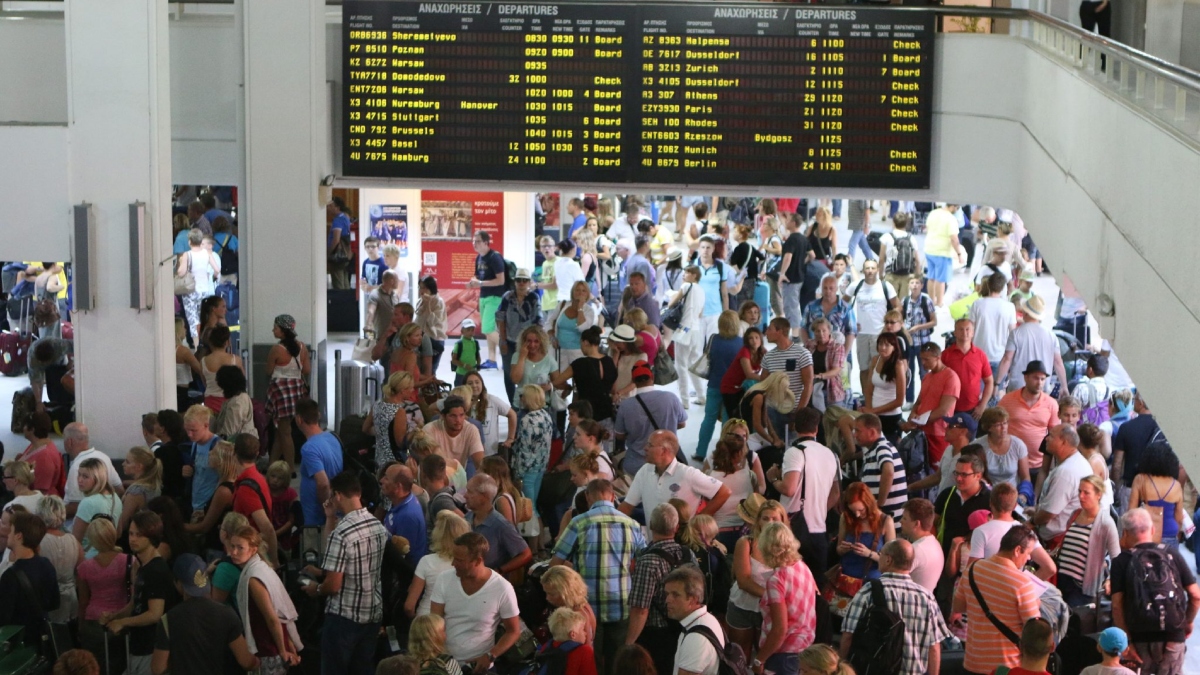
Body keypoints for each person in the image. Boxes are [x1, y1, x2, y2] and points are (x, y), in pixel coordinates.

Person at [550, 479, 645, 675]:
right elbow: (643, 561)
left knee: (591, 662)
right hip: (622, 603)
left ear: (587, 496)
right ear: (613, 496)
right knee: (617, 662)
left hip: (587, 607)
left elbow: (556, 563)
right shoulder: (632, 524)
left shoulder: (579, 523)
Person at [300, 471, 390, 675]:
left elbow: (333, 585)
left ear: (338, 495)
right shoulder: (377, 525)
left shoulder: (342, 533)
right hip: (372, 613)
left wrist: (316, 589)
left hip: (344, 618)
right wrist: (330, 517)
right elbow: (335, 558)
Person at [1111, 507, 1200, 675]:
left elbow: (1116, 606)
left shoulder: (1121, 561)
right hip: (1173, 635)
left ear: (1125, 533)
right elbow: (1196, 596)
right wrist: (1186, 622)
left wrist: (1127, 641)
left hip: (1139, 638)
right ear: (1152, 529)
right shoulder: (1171, 553)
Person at [839, 539, 949, 675]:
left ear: (888, 560)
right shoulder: (927, 597)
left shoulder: (869, 591)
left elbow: (848, 635)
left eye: (880, 553)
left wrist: (841, 669)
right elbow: (934, 647)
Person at [150, 553, 260, 675]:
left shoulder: (168, 620)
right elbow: (245, 661)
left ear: (178, 583)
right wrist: (257, 663)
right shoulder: (227, 614)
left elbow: (158, 668)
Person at [952, 526, 1042, 674]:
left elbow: (958, 606)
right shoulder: (1021, 583)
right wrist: (1036, 603)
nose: (1029, 558)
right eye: (1028, 553)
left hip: (973, 661)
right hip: (1005, 666)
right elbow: (1033, 628)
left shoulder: (972, 569)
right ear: (1017, 550)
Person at [101, 511, 183, 675]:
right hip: (140, 646)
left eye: (139, 535)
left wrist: (123, 622)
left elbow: (154, 614)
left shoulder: (156, 570)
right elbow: (136, 603)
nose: (132, 539)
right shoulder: (144, 567)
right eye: (131, 534)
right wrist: (115, 616)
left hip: (151, 647)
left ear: (152, 536)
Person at [430, 531, 523, 672]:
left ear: (478, 561)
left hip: (479, 668)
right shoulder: (444, 579)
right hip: (445, 664)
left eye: (459, 560)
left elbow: (514, 631)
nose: (453, 564)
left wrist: (491, 655)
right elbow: (434, 623)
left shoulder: (502, 588)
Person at [768, 407, 839, 580]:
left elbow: (789, 489)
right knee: (816, 583)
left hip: (794, 528)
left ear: (794, 426)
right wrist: (819, 509)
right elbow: (836, 493)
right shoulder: (831, 454)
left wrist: (773, 479)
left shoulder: (794, 452)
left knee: (790, 581)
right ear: (817, 428)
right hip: (819, 528)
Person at [625, 504, 696, 675]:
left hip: (657, 635)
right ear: (676, 527)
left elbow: (641, 609)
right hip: (687, 628)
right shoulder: (688, 554)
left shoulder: (648, 561)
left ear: (651, 525)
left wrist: (629, 644)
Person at [229, 526, 302, 674]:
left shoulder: (254, 579)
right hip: (274, 645)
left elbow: (272, 618)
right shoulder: (263, 569)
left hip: (269, 649)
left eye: (240, 548)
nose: (234, 552)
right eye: (232, 546)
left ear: (253, 550)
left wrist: (282, 650)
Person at [753, 522, 817, 675]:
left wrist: (759, 660)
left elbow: (780, 629)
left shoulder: (776, 580)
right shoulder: (803, 567)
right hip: (805, 648)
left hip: (782, 653)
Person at [621, 430, 730, 520]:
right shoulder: (645, 471)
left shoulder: (688, 474)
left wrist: (697, 522)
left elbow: (724, 492)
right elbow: (627, 505)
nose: (645, 448)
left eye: (650, 445)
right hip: (653, 539)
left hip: (683, 540)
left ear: (664, 451)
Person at [1051, 475, 1120, 607]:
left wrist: (1110, 579)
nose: (1081, 496)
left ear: (1098, 495)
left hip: (1081, 588)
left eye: (1086, 493)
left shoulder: (1106, 523)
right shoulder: (1075, 514)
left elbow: (1116, 557)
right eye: (1079, 491)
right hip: (1061, 581)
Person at [966, 483, 1056, 581]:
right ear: (1015, 506)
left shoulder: (981, 532)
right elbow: (1050, 568)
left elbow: (971, 571)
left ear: (990, 503)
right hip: (1014, 587)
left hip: (987, 586)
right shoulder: (1026, 532)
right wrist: (1028, 586)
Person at [0, 511, 60, 648]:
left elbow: (3, 618)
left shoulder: (10, 575)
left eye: (11, 531)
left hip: (20, 643)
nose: (8, 534)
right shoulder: (46, 564)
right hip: (41, 639)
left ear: (19, 536)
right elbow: (54, 603)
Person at [76, 517, 129, 665]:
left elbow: (83, 601)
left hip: (93, 621)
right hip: (121, 618)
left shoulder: (84, 568)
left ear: (92, 540)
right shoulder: (129, 561)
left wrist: (80, 626)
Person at [293, 398, 342, 553]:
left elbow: (323, 483)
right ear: (318, 415)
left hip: (316, 519)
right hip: (336, 509)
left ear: (299, 419)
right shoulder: (332, 438)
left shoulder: (309, 448)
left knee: (315, 556)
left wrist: (326, 509)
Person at [1031, 424, 1095, 543]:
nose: (1046, 439)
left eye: (1051, 436)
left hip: (1058, 540)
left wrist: (1031, 522)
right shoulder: (1076, 461)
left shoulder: (1065, 472)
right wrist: (1036, 511)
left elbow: (1049, 513)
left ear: (1063, 442)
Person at [998, 361, 1060, 481]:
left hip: (1039, 464)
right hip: (1011, 462)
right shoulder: (1007, 400)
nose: (1039, 383)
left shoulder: (1051, 403)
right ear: (1026, 378)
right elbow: (996, 425)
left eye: (1042, 379)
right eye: (1036, 378)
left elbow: (1055, 434)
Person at [692, 311, 741, 460]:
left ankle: (700, 452)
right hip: (732, 388)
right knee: (726, 421)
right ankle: (723, 454)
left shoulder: (714, 339)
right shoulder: (741, 343)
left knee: (709, 419)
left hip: (714, 384)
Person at [995, 296, 1069, 395]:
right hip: (1041, 388)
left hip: (1018, 388)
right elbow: (1058, 362)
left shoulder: (1016, 334)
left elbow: (1007, 359)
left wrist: (997, 383)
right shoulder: (1051, 336)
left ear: (1026, 313)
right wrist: (1064, 386)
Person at [901, 343, 961, 464]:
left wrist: (917, 422)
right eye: (921, 359)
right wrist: (912, 415)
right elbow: (919, 401)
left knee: (937, 468)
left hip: (939, 433)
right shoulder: (927, 377)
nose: (922, 363)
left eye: (926, 359)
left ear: (938, 357)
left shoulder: (951, 377)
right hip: (922, 433)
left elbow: (943, 410)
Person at [660, 565, 724, 675]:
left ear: (693, 599)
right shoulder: (706, 619)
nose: (667, 600)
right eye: (667, 594)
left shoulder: (696, 638)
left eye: (675, 595)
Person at [265, 315, 310, 468]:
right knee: (280, 433)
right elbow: (307, 370)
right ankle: (272, 465)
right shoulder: (302, 347)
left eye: (275, 328)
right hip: (296, 391)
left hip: (281, 393)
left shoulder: (276, 349)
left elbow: (268, 371)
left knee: (285, 432)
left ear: (283, 331)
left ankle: (290, 469)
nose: (273, 330)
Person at [462, 474, 532, 574]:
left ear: (484, 496)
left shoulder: (501, 525)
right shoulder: (467, 518)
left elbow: (526, 554)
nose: (465, 495)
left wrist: (499, 571)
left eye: (470, 492)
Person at [760, 317, 815, 441]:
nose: (766, 332)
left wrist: (799, 414)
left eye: (769, 329)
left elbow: (808, 385)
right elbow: (763, 385)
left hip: (794, 410)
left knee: (794, 445)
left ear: (779, 331)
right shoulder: (768, 356)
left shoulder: (802, 353)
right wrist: (764, 412)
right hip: (773, 410)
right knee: (776, 445)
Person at [707, 436, 765, 548]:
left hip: (719, 532)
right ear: (738, 454)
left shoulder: (710, 476)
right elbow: (756, 503)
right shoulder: (749, 475)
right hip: (746, 531)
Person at [496, 267, 543, 402]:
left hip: (528, 343)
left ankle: (527, 401)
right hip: (509, 341)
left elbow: (538, 321)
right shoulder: (507, 297)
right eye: (518, 280)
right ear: (514, 282)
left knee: (528, 373)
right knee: (508, 374)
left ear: (529, 282)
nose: (521, 283)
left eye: (524, 280)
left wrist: (536, 343)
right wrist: (503, 341)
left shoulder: (534, 298)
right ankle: (513, 404)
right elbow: (501, 319)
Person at [62, 423, 123, 522]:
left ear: (69, 442)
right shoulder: (104, 457)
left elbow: (75, 506)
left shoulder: (78, 467)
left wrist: (55, 514)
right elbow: (119, 490)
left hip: (77, 525)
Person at [934, 453, 992, 558]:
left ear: (978, 476)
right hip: (945, 556)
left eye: (964, 475)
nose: (958, 478)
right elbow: (932, 522)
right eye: (956, 473)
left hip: (974, 559)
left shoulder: (990, 500)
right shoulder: (947, 494)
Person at [1112, 392, 1160, 513]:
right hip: (1156, 489)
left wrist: (1117, 491)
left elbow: (1117, 465)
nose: (1133, 401)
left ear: (1141, 403)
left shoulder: (1126, 427)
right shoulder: (1160, 428)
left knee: (1128, 523)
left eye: (1135, 399)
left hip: (1130, 488)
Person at [854, 414, 907, 523]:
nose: (855, 435)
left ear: (872, 432)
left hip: (888, 521)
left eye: (858, 431)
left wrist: (879, 506)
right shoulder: (874, 450)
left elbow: (888, 471)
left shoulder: (881, 447)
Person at [1129, 441, 1184, 545]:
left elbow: (1131, 511)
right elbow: (1179, 518)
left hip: (1147, 534)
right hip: (1170, 536)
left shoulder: (1140, 479)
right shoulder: (1176, 485)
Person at [850, 260, 898, 379]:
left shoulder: (886, 286)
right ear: (863, 270)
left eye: (873, 268)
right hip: (861, 334)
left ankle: (876, 391)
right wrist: (851, 323)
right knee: (863, 369)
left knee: (878, 368)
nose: (870, 271)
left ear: (877, 270)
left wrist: (888, 325)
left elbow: (898, 307)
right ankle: (865, 392)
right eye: (867, 268)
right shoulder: (856, 286)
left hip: (879, 333)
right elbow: (843, 306)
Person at [464, 231, 506, 370]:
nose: (474, 244)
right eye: (473, 241)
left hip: (495, 297)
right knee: (490, 330)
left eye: (478, 241)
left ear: (486, 242)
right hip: (484, 296)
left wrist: (480, 283)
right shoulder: (479, 258)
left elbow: (501, 281)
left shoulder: (495, 257)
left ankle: (510, 352)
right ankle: (492, 360)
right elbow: (478, 277)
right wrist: (473, 283)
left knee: (487, 329)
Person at [512, 384, 554, 517]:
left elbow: (524, 450)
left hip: (527, 470)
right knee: (533, 505)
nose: (521, 398)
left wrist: (517, 474)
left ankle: (533, 530)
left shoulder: (527, 420)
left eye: (522, 396)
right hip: (541, 466)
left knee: (528, 510)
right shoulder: (546, 415)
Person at [942, 319, 995, 417]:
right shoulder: (945, 355)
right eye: (960, 329)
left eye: (967, 329)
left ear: (973, 333)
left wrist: (982, 405)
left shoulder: (981, 355)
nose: (964, 332)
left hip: (973, 410)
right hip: (949, 408)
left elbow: (989, 381)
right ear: (955, 333)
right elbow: (937, 381)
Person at [72, 458, 123, 556]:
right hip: (109, 555)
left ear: (98, 478)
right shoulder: (116, 498)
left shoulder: (88, 502)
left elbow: (75, 540)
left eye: (85, 476)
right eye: (79, 474)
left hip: (88, 556)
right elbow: (118, 533)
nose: (79, 480)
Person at [969, 273, 1019, 375]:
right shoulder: (1009, 307)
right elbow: (1013, 334)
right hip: (1000, 356)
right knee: (998, 384)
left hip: (978, 355)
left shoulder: (977, 304)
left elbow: (970, 329)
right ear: (1003, 288)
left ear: (988, 284)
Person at [862, 333, 907, 441]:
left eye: (887, 345)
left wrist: (874, 411)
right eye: (880, 344)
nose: (883, 347)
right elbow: (869, 390)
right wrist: (870, 411)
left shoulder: (898, 365)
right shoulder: (875, 360)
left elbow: (900, 401)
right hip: (874, 414)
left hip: (890, 416)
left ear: (894, 347)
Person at [423, 395, 485, 474]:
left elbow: (479, 463)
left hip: (458, 476)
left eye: (461, 415)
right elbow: (428, 462)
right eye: (453, 416)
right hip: (434, 475)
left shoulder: (471, 430)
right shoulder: (430, 429)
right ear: (443, 416)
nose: (458, 420)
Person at [976, 407, 1032, 492]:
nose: (1003, 427)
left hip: (1013, 492)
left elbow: (1026, 478)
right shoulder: (978, 446)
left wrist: (1023, 495)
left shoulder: (1018, 445)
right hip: (987, 492)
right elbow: (976, 477)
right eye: (998, 425)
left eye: (1005, 423)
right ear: (989, 427)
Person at [542, 566, 599, 644]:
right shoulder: (583, 605)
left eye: (551, 594)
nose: (547, 598)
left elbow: (586, 648)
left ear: (565, 593)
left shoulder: (576, 616)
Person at [740, 373, 794, 453]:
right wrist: (772, 441)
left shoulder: (762, 394)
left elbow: (766, 418)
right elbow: (757, 425)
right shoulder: (758, 397)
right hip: (750, 434)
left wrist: (775, 437)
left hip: (752, 432)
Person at [16, 412, 65, 497]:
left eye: (24, 425)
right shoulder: (35, 444)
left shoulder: (45, 456)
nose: (23, 429)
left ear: (32, 429)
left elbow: (41, 491)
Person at [117, 447, 162, 539]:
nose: (123, 464)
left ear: (139, 466)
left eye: (127, 462)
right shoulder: (154, 484)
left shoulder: (136, 491)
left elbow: (123, 523)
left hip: (133, 537)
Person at [900, 499, 943, 592]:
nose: (901, 521)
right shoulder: (934, 543)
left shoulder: (915, 550)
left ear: (916, 524)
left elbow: (894, 580)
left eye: (904, 518)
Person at [922, 204, 961, 307]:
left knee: (931, 277)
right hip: (942, 252)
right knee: (941, 280)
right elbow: (954, 239)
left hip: (929, 248)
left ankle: (931, 300)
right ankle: (939, 303)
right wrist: (959, 253)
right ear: (953, 206)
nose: (957, 210)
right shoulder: (951, 219)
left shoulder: (933, 213)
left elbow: (927, 228)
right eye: (957, 208)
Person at [554, 279, 597, 372]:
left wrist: (580, 307)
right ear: (572, 292)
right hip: (561, 350)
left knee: (579, 377)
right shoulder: (563, 305)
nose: (580, 293)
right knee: (560, 377)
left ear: (587, 294)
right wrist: (553, 337)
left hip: (578, 351)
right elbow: (552, 322)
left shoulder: (589, 310)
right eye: (577, 290)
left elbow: (583, 328)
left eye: (583, 290)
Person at [416, 276, 448, 372]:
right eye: (420, 287)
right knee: (419, 368)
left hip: (434, 339)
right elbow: (418, 317)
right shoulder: (420, 300)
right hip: (420, 338)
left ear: (431, 288)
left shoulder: (438, 301)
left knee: (431, 370)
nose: (422, 290)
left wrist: (428, 305)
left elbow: (433, 321)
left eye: (424, 288)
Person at [327, 197, 353, 290]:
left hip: (337, 255)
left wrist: (329, 253)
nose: (328, 208)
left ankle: (340, 299)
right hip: (346, 254)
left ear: (337, 207)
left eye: (331, 206)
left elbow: (336, 239)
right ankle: (346, 299)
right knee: (345, 283)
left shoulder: (338, 220)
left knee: (338, 284)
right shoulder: (345, 218)